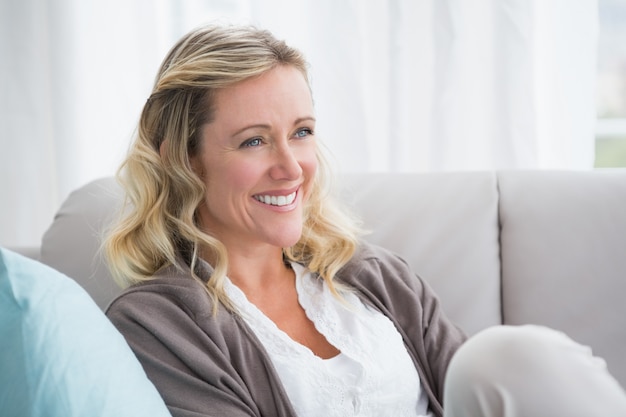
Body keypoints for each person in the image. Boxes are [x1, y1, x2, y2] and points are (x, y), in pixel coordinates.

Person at [104, 24, 626, 417]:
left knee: (505, 355)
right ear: (183, 158)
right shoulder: (158, 324)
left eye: (302, 132)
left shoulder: (374, 277)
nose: (291, 168)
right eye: (255, 140)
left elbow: (479, 391)